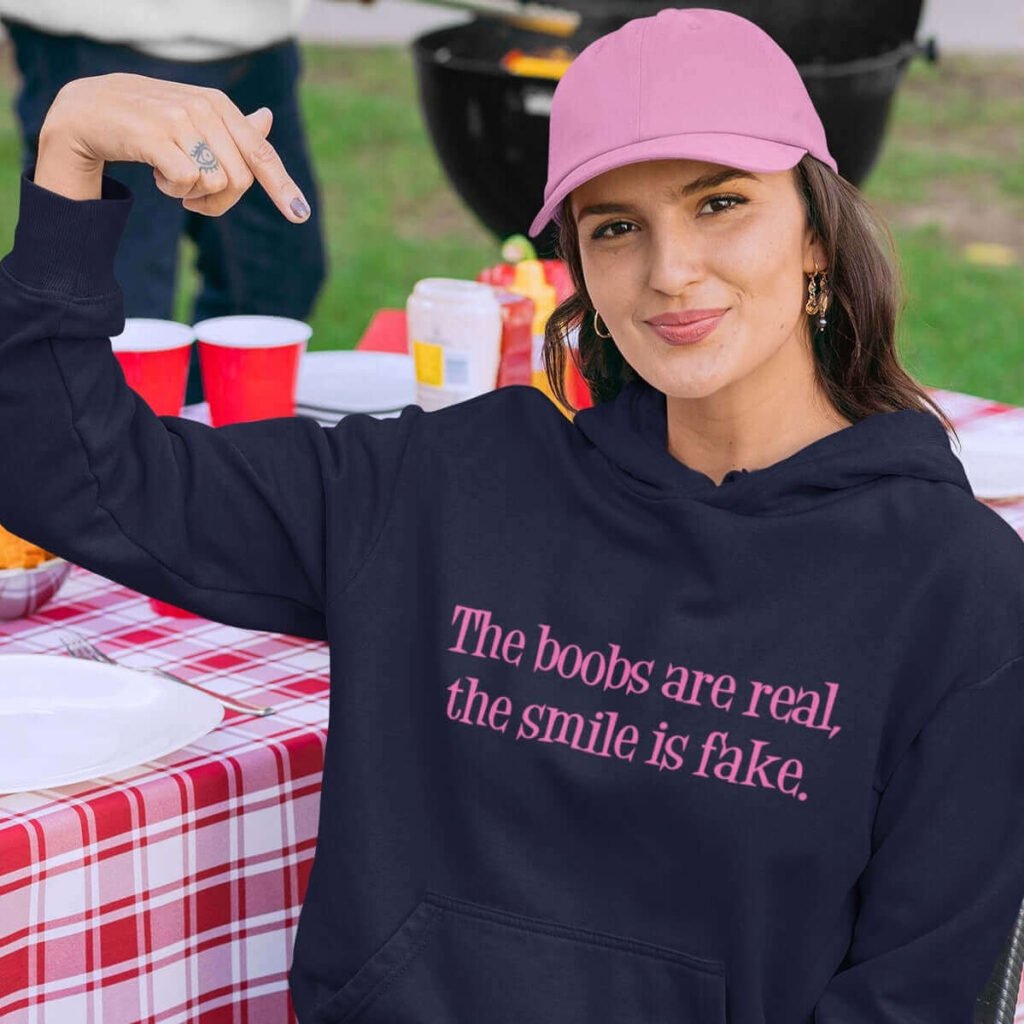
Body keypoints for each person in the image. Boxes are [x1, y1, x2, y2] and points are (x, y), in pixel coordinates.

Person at [1, 9, 1023, 1022]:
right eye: (615, 226)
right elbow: (66, 468)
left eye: (719, 204)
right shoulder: (446, 487)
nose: (669, 269)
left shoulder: (953, 587)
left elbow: (913, 995)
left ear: (814, 233)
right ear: (576, 269)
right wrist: (72, 147)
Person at [0, 0, 329, 404]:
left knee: (279, 281)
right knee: (122, 322)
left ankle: (181, 440)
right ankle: (120, 447)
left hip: (256, 41)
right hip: (102, 39)